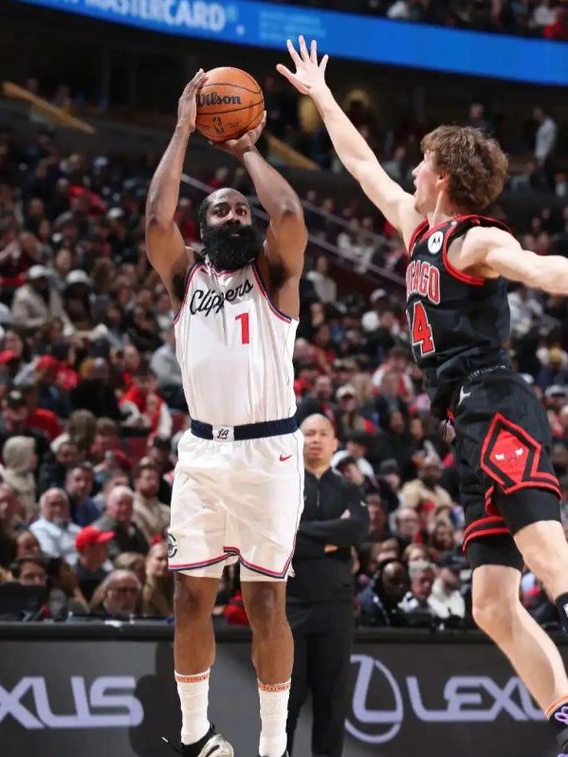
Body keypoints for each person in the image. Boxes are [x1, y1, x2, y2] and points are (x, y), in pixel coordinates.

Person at [279, 35, 568, 753]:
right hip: (463, 420)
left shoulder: (473, 240)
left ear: (440, 176)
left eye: (419, 163)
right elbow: (362, 165)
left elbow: (542, 270)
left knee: (546, 552)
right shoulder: (418, 231)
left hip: (495, 402)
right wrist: (322, 96)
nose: (408, 170)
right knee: (492, 604)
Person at [146, 69, 307, 757]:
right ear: (204, 226)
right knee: (190, 598)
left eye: (242, 210)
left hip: (270, 453)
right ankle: (195, 735)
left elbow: (290, 214)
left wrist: (246, 151)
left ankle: (272, 745)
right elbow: (157, 221)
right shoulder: (185, 276)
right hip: (203, 453)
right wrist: (184, 130)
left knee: (266, 603)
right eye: (222, 211)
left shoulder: (273, 274)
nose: (236, 216)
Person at [286, 414, 368, 757]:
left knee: (332, 701)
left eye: (323, 433)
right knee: (285, 701)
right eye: (309, 433)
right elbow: (283, 538)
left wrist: (305, 536)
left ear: (335, 443)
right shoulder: (284, 484)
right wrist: (332, 539)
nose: (316, 439)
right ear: (298, 440)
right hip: (291, 605)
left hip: (336, 606)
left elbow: (358, 529)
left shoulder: (349, 489)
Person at [30, 487, 81, 565]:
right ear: (42, 508)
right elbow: (52, 559)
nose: (58, 509)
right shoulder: (39, 529)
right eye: (53, 505)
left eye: (62, 504)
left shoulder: (77, 529)